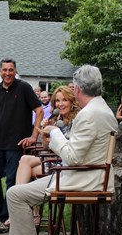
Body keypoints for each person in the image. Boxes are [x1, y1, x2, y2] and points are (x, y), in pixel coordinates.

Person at [0, 65, 117, 235]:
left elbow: (73, 157)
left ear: (77, 89)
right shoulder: (104, 110)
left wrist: (56, 133)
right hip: (86, 175)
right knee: (18, 191)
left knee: (15, 194)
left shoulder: (89, 115)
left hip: (81, 180)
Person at [0, 58, 43, 234]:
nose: (7, 73)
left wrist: (34, 135)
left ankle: (7, 217)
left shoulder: (24, 88)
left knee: (12, 182)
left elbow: (39, 110)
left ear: (15, 71)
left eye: (11, 70)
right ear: (0, 71)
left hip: (17, 144)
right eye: (4, 70)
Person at [13, 85, 80, 224]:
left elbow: (68, 148)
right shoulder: (57, 119)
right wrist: (44, 133)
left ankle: (24, 211)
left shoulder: (77, 121)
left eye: (64, 100)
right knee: (25, 159)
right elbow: (47, 147)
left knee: (26, 167)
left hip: (64, 163)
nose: (60, 104)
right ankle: (28, 211)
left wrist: (54, 132)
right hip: (54, 158)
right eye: (57, 101)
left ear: (72, 101)